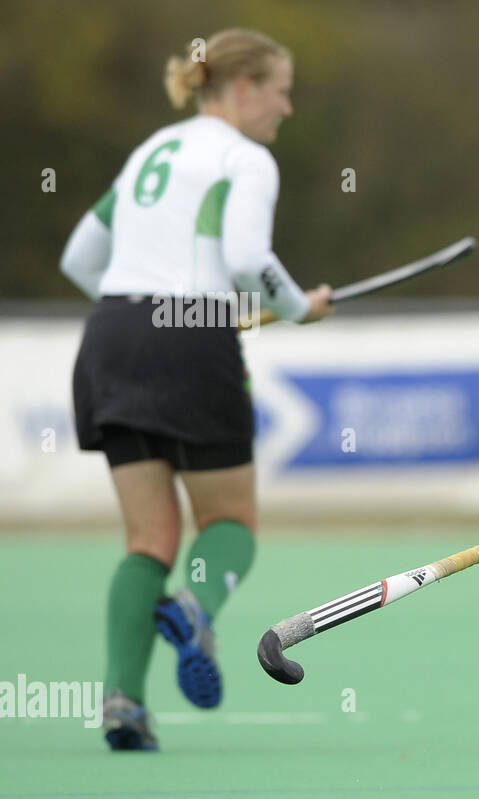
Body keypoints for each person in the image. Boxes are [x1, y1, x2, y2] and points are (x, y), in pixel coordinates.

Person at [59, 28, 332, 751]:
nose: (287, 106)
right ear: (242, 88)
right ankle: (196, 606)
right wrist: (299, 307)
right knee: (231, 523)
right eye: (279, 88)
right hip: (189, 342)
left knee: (147, 538)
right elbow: (245, 258)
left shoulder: (153, 148)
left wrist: (154, 309)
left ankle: (122, 702)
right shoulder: (246, 158)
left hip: (110, 335)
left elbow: (80, 257)